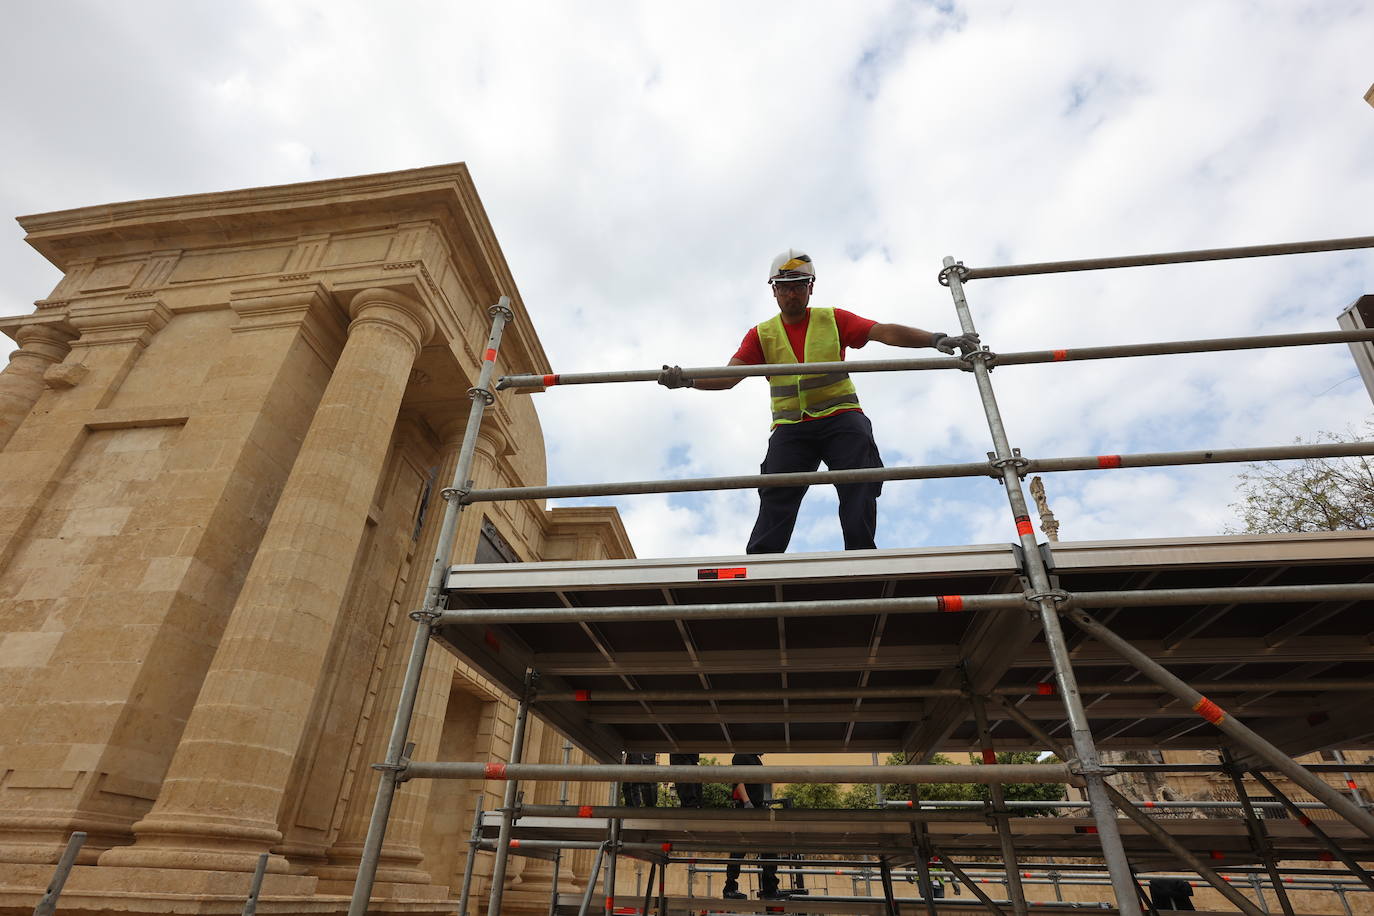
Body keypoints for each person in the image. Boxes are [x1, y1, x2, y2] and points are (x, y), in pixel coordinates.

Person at [659, 249, 979, 553]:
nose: (791, 294)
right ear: (774, 291)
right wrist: (686, 379)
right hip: (792, 427)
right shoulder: (762, 334)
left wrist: (934, 339)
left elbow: (882, 332)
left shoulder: (832, 319)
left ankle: (861, 556)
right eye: (784, 288)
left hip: (841, 417)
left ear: (810, 288)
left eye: (798, 286)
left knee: (859, 479)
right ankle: (762, 563)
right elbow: (728, 378)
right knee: (777, 489)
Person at [722, 752, 785, 901]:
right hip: (747, 807)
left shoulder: (755, 758)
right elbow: (738, 780)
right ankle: (730, 887)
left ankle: (770, 888)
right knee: (739, 848)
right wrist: (746, 802)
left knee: (769, 846)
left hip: (757, 807)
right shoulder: (741, 756)